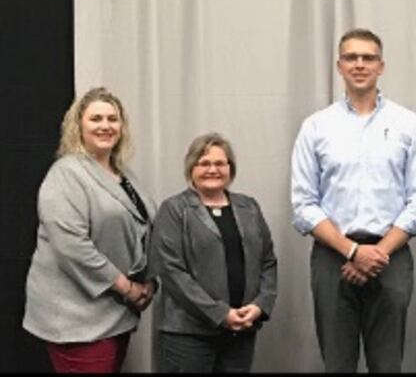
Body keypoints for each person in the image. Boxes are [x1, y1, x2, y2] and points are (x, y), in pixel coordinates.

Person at [290, 28, 416, 373]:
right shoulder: (316, 127)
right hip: (332, 256)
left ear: (381, 66)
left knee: (387, 365)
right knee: (337, 364)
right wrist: (353, 252)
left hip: (391, 257)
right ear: (339, 66)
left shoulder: (408, 125)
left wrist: (376, 253)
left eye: (368, 57)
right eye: (351, 57)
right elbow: (304, 204)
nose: (359, 64)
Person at [23, 87, 157, 373]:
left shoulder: (124, 175)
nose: (106, 126)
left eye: (113, 118)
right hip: (77, 319)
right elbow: (72, 246)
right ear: (78, 126)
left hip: (115, 313)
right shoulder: (66, 174)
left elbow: (143, 230)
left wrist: (150, 282)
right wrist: (129, 288)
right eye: (96, 119)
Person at [150, 132, 278, 373]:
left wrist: (261, 304)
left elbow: (268, 261)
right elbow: (171, 272)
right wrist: (220, 313)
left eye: (220, 163)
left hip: (241, 331)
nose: (213, 169)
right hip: (188, 335)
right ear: (191, 168)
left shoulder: (248, 206)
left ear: (231, 168)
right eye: (204, 163)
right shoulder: (174, 209)